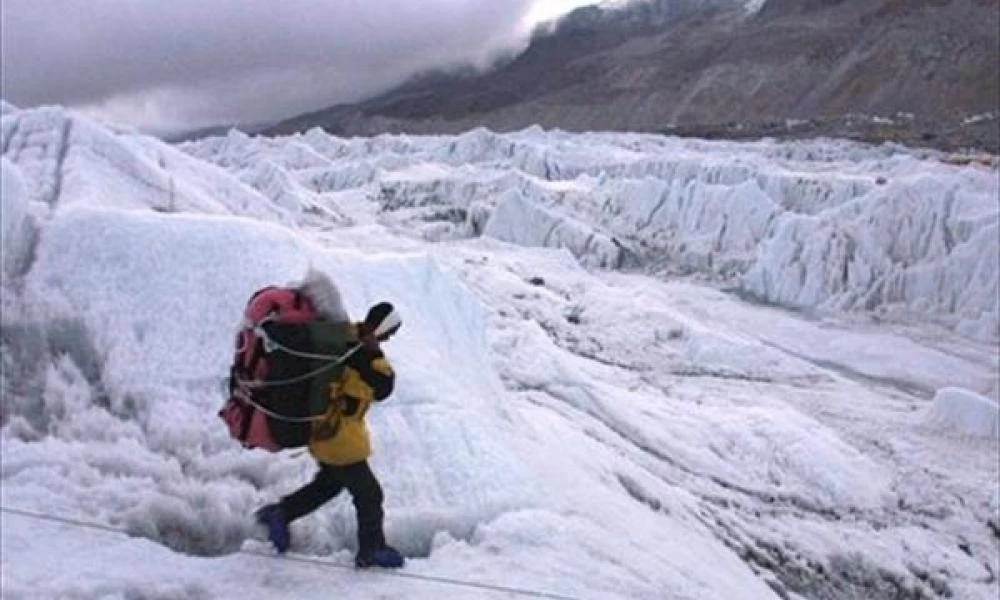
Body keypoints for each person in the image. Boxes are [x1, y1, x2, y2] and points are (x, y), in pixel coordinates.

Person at [255, 270, 405, 569]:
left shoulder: (340, 337)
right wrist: (371, 353)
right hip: (340, 440)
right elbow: (382, 387)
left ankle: (281, 514)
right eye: (388, 332)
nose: (389, 338)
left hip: (324, 435)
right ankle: (371, 550)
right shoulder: (359, 353)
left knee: (329, 485)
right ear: (380, 330)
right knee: (369, 494)